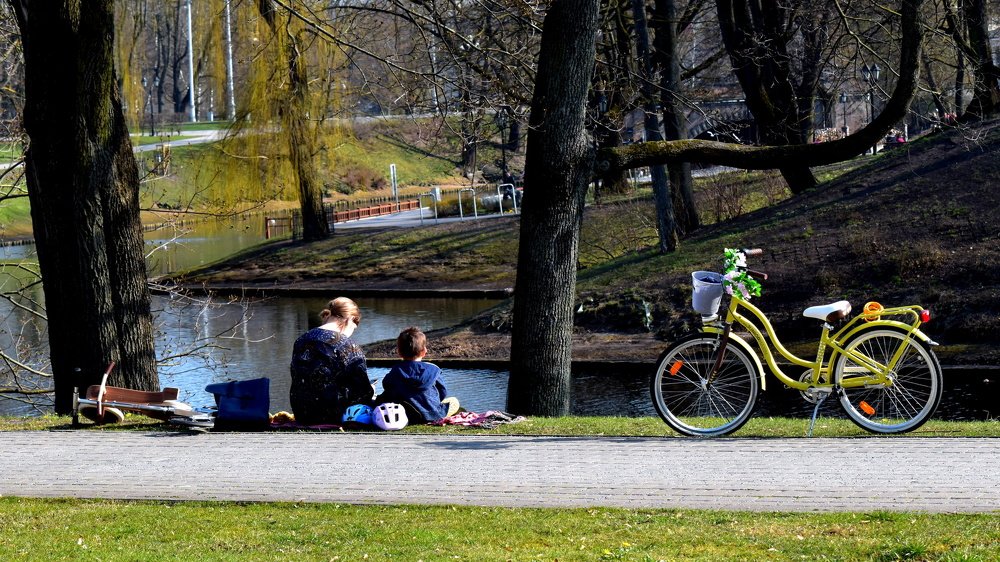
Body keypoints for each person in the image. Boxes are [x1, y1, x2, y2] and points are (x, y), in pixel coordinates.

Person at [289, 297, 374, 425]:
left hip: (301, 412)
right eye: (353, 327)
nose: (351, 333)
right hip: (332, 414)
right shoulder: (348, 345)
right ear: (350, 319)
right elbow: (362, 390)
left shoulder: (301, 340)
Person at [375, 326, 460, 423]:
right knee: (454, 401)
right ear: (424, 351)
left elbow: (386, 386)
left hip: (407, 415)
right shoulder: (433, 370)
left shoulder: (395, 371)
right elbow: (442, 392)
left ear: (399, 352)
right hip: (433, 414)